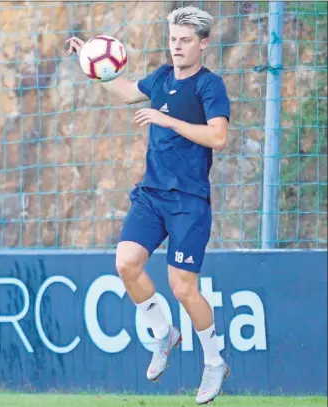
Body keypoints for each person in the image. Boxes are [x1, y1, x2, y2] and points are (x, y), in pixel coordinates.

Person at [66, 5, 230, 405]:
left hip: (189, 201)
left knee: (182, 287)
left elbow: (218, 138)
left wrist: (167, 120)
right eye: (173, 39)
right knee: (125, 263)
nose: (177, 46)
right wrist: (92, 62)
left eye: (186, 40)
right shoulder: (159, 77)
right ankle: (164, 334)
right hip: (151, 194)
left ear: (203, 43)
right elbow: (123, 91)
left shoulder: (210, 86)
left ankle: (214, 361)